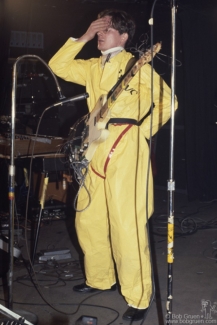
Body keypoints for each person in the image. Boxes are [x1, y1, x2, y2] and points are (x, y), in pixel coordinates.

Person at [49, 9, 178, 321]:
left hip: (126, 146)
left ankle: (138, 295)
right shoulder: (93, 67)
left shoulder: (136, 65)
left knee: (126, 225)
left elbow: (168, 102)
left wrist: (140, 131)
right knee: (88, 219)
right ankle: (100, 278)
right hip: (95, 145)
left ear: (123, 36)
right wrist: (83, 36)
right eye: (99, 29)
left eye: (107, 29)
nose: (101, 34)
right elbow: (58, 65)